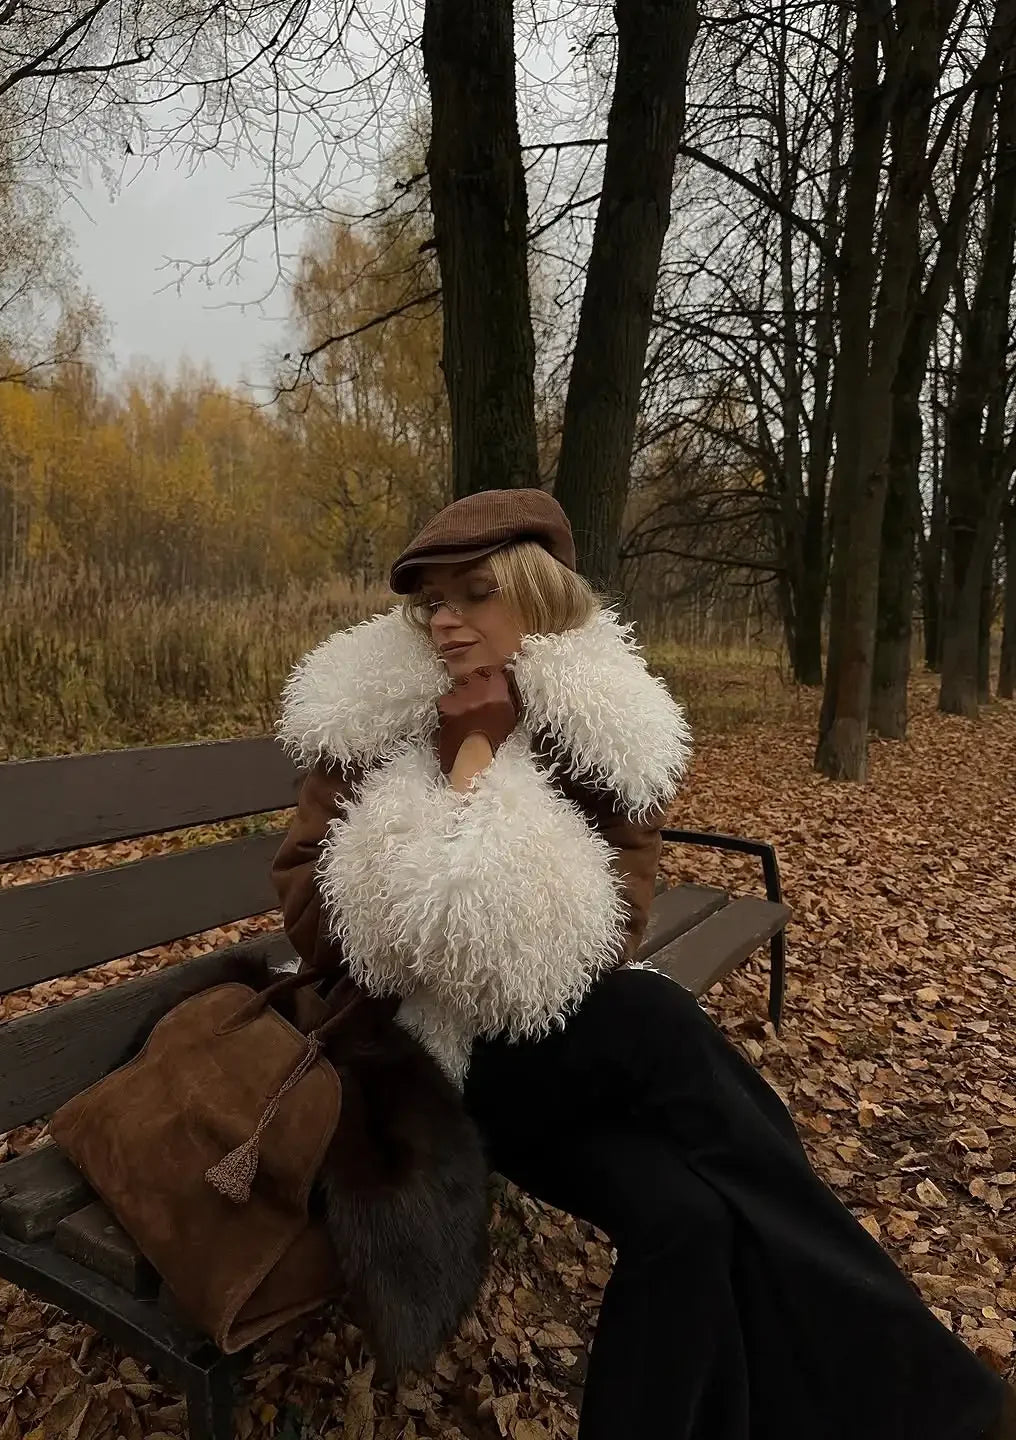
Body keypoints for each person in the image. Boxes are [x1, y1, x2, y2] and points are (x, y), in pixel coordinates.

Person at [271, 488, 1014, 1440]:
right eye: (433, 601)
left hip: (550, 1039)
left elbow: (610, 933)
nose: (446, 620)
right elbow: (316, 923)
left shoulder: (602, 728)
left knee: (689, 1221)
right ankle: (946, 1407)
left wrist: (509, 838)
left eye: (476, 593)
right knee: (657, 1024)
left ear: (540, 595)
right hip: (409, 1055)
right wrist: (466, 769)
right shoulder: (372, 719)